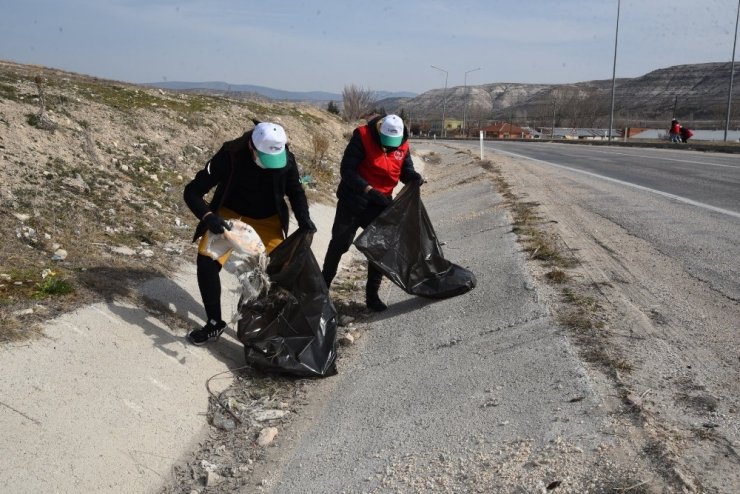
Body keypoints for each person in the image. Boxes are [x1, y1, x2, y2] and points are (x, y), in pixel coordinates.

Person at [183, 122, 316, 345]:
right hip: (231, 216)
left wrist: (304, 219)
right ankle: (214, 323)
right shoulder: (230, 155)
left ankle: (266, 332)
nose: (271, 166)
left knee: (275, 275)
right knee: (206, 261)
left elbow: (295, 191)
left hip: (268, 219)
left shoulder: (286, 159)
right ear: (252, 148)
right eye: (266, 160)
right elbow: (192, 191)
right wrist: (208, 217)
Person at [322, 114, 423, 312]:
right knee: (339, 244)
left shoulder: (402, 144)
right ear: (379, 132)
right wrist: (368, 189)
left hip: (381, 203)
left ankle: (372, 297)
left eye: (394, 143)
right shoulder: (362, 136)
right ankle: (321, 290)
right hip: (353, 200)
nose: (390, 147)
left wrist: (413, 177)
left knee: (380, 248)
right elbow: (347, 170)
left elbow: (405, 170)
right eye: (386, 142)